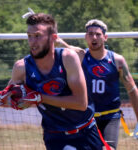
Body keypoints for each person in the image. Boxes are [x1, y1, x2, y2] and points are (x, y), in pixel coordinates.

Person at [0, 14, 111, 150]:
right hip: (54, 136)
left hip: (86, 131)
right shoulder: (21, 67)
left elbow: (81, 103)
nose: (32, 41)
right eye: (29, 36)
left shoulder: (68, 58)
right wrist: (8, 98)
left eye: (38, 36)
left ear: (53, 38)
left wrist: (39, 98)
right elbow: (9, 98)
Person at [56, 19, 138, 150]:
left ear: (105, 37)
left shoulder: (117, 61)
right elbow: (68, 49)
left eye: (98, 34)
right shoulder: (81, 57)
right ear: (86, 37)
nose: (94, 37)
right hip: (86, 118)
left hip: (110, 116)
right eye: (90, 34)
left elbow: (132, 90)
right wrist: (56, 40)